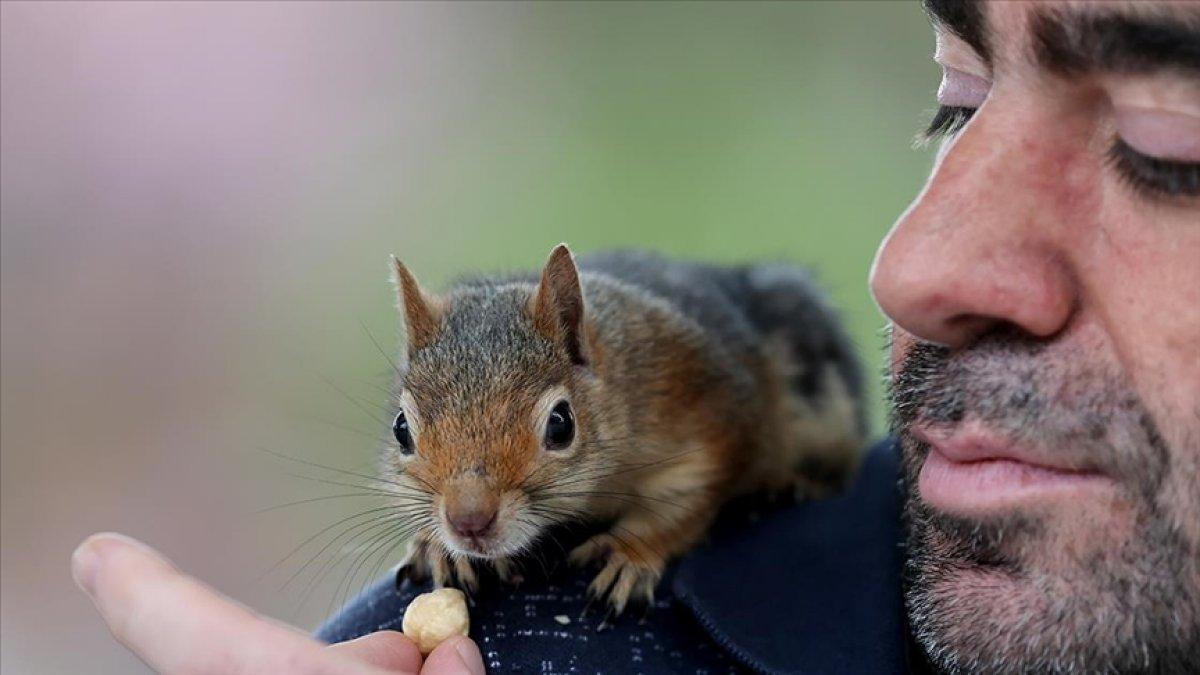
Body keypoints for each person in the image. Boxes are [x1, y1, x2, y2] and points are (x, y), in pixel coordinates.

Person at [72, 0, 1199, 672]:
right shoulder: (562, 644)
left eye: (1169, 140)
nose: (910, 268)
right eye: (956, 93)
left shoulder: (675, 411)